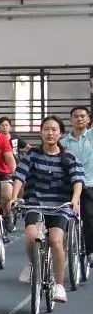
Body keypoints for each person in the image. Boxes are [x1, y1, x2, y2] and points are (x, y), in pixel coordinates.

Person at [10, 116, 84, 303]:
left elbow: (77, 181)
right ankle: (33, 264)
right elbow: (19, 177)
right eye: (46, 129)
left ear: (60, 133)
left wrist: (74, 200)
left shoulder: (69, 157)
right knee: (31, 236)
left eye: (54, 129)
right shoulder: (32, 155)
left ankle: (59, 285)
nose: (50, 133)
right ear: (41, 132)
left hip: (60, 206)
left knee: (56, 240)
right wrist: (14, 197)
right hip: (36, 204)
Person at [61, 104, 93, 266]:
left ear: (88, 120)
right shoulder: (63, 142)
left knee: (88, 215)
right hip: (69, 185)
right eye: (76, 116)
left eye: (82, 116)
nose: (79, 119)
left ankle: (90, 252)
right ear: (71, 120)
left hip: (89, 184)